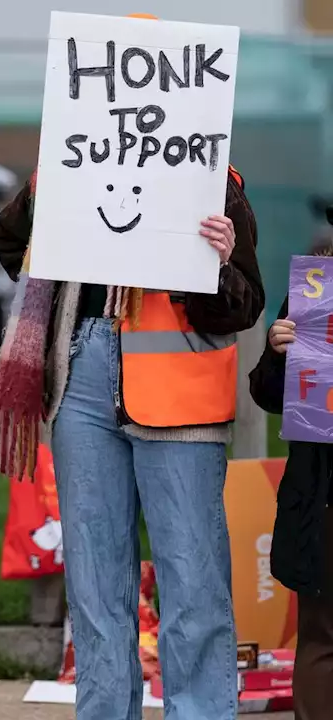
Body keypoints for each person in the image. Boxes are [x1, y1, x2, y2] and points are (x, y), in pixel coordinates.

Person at [0, 13, 264, 711]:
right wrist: (47, 187)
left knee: (193, 579)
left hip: (181, 396)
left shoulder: (216, 179)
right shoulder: (69, 165)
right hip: (80, 382)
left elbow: (243, 307)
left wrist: (219, 257)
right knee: (94, 577)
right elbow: (9, 245)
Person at [249, 230, 333, 720]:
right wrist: (280, 352)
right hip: (323, 495)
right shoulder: (318, 286)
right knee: (323, 634)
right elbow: (269, 394)